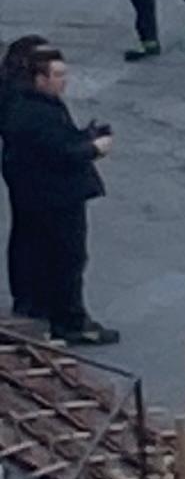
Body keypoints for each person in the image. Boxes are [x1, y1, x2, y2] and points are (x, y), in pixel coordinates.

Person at [2, 38, 117, 344]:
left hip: (31, 190)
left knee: (31, 248)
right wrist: (93, 147)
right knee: (67, 256)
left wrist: (82, 136)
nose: (65, 82)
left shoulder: (19, 103)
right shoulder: (35, 113)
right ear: (39, 78)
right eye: (59, 76)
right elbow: (60, 152)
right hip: (55, 194)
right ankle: (69, 320)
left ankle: (34, 306)